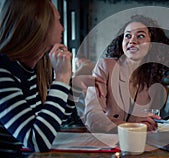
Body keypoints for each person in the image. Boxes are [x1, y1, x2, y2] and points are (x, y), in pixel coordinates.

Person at [0, 0, 101, 152]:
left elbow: (52, 124)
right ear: (39, 23)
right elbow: (37, 141)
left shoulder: (30, 68)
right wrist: (62, 77)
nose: (62, 28)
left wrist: (73, 89)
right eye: (58, 21)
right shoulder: (3, 73)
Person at [83, 15, 169, 133]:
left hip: (137, 142)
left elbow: (146, 122)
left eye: (140, 36)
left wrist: (149, 124)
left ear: (152, 44)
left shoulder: (152, 79)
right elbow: (92, 118)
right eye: (128, 36)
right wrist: (133, 126)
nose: (132, 41)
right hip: (107, 140)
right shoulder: (105, 66)